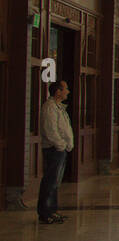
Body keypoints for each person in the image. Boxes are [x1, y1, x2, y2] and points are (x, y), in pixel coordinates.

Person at [38, 80, 75, 225]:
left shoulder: (59, 107)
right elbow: (50, 130)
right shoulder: (50, 108)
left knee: (55, 182)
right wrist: (61, 145)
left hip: (61, 149)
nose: (68, 91)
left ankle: (52, 210)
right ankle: (45, 212)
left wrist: (67, 145)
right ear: (58, 91)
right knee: (50, 181)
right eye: (66, 89)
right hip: (54, 149)